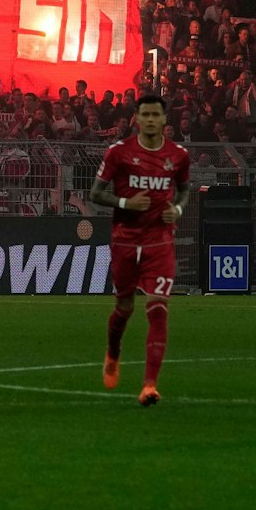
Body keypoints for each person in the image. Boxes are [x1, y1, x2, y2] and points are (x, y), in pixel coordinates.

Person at [89, 93, 190, 406]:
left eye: (154, 115)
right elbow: (95, 193)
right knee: (124, 307)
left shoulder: (179, 155)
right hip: (125, 239)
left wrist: (179, 209)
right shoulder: (118, 152)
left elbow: (185, 190)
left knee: (158, 310)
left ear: (163, 120)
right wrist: (125, 203)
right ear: (136, 118)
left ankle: (149, 385)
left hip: (160, 240)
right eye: (144, 114)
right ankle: (113, 352)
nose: (149, 119)